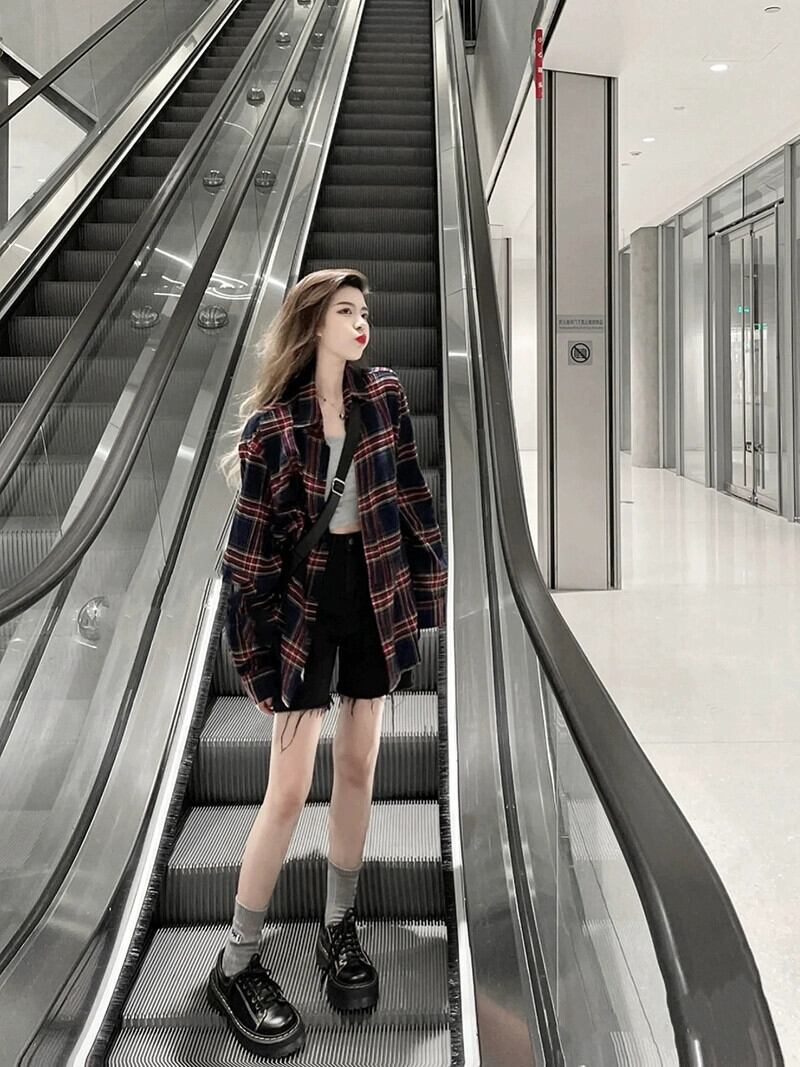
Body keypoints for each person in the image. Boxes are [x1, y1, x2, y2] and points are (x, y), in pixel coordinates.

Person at [206, 268, 447, 1058]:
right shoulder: (273, 428)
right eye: (346, 311)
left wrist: (426, 598)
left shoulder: (384, 398)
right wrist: (255, 660)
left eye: (364, 311)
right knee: (286, 790)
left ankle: (338, 926)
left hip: (373, 590)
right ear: (313, 324)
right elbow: (246, 562)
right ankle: (237, 961)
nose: (361, 322)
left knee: (359, 764)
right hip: (303, 608)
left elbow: (410, 500)